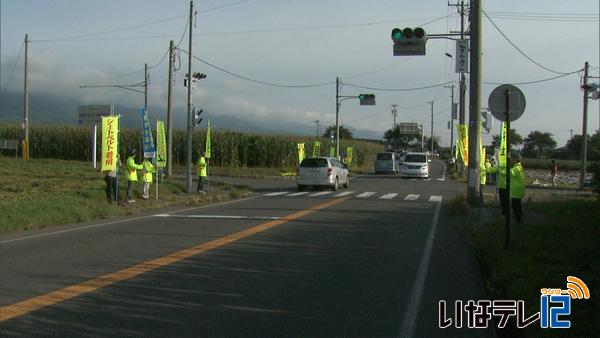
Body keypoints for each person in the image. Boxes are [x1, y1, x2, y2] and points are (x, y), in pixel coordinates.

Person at [510, 158, 525, 223]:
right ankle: (520, 218)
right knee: (518, 205)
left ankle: (518, 220)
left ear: (516, 161)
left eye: (513, 160)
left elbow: (509, 173)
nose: (511, 161)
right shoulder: (521, 168)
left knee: (515, 206)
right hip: (520, 189)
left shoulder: (515, 168)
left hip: (515, 190)